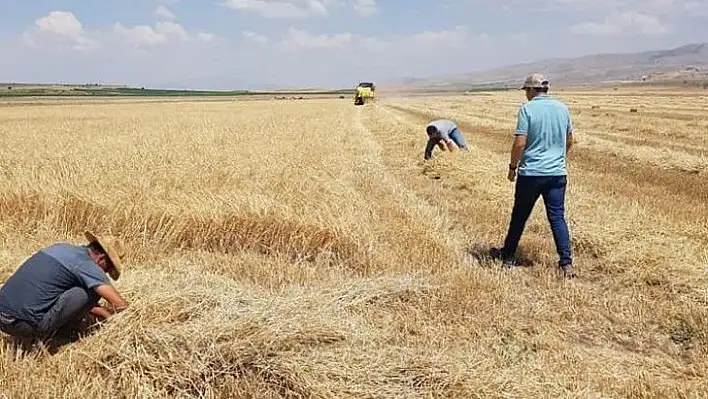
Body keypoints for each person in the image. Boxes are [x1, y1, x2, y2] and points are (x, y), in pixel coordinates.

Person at [490, 73, 575, 278]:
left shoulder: (527, 109)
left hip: (531, 174)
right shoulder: (562, 108)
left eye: (526, 90)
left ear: (530, 90)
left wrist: (512, 167)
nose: (526, 94)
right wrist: (558, 158)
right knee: (557, 217)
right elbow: (570, 140)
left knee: (519, 215)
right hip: (557, 173)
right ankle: (566, 263)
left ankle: (508, 256)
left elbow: (519, 143)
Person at [0, 231, 130, 350]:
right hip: (23, 325)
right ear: (102, 258)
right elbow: (121, 305)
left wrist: (103, 313)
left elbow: (58, 294)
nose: (105, 273)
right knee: (91, 292)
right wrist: (129, 318)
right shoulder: (88, 265)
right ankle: (61, 336)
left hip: (3, 316)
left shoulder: (60, 248)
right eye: (107, 269)